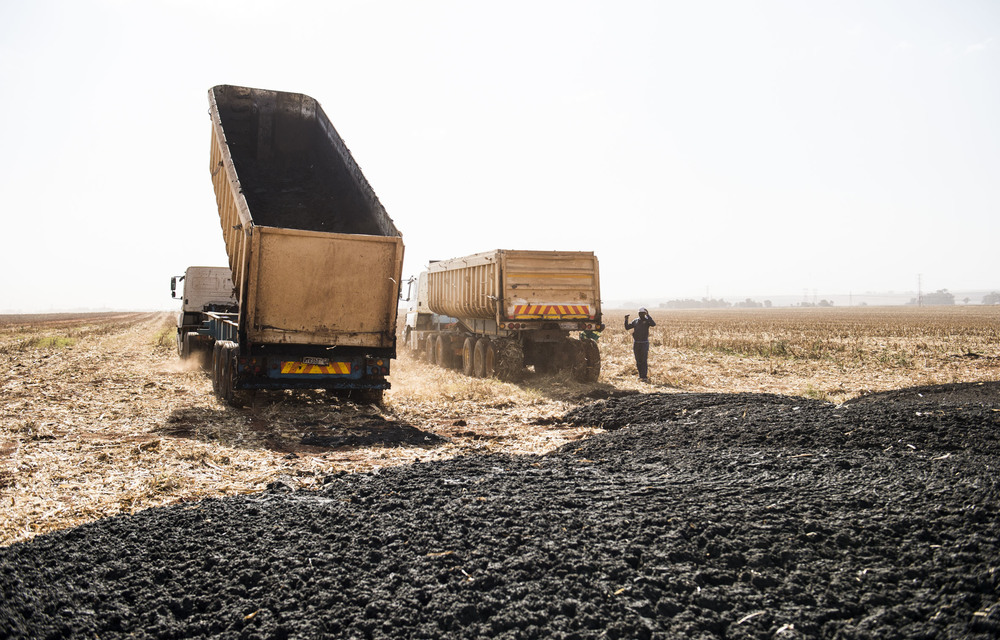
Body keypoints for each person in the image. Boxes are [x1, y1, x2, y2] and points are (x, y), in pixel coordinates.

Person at [625, 307, 656, 381]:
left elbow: (653, 324)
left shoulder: (647, 321)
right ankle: (640, 376)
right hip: (636, 343)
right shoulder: (635, 321)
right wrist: (626, 320)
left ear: (645, 313)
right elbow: (627, 327)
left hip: (644, 343)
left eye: (642, 313)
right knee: (638, 360)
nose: (640, 314)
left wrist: (648, 316)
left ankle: (644, 376)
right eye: (639, 313)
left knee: (644, 360)